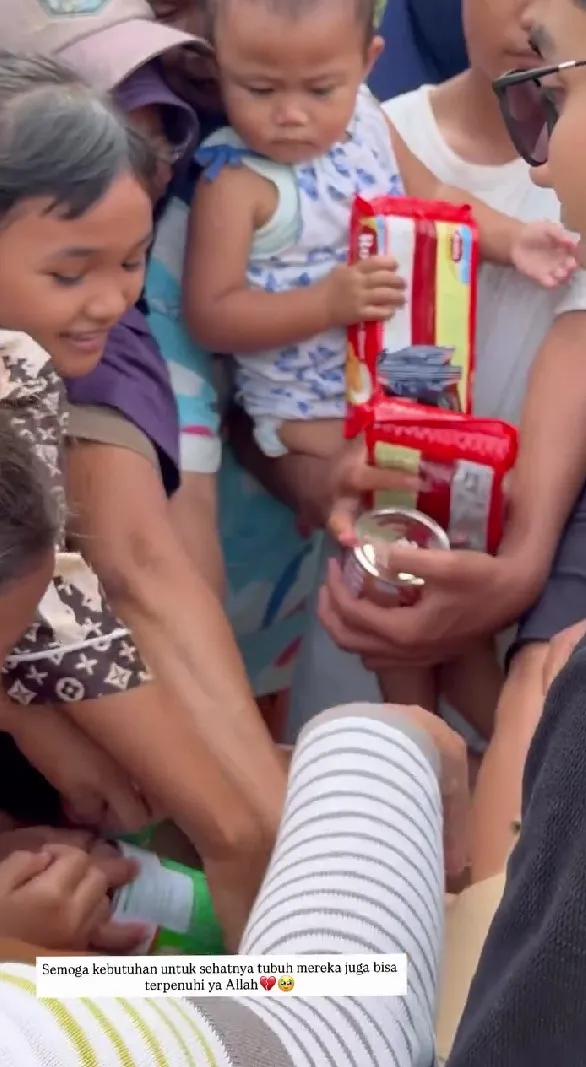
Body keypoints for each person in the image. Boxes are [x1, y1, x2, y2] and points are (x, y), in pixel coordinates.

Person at [185, 0, 578, 740]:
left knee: (432, 562)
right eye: (261, 91)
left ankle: (498, 750)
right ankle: (422, 735)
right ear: (220, 72)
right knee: (397, 569)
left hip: (391, 391)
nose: (293, 115)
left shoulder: (368, 123)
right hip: (315, 416)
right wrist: (323, 301)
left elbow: (433, 197)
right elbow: (212, 314)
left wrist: (514, 239)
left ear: (365, 64)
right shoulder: (238, 182)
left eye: (320, 88)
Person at [2, 0, 291, 936]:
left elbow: (64, 592)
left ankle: (257, 993)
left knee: (237, 835)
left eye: (130, 265)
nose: (110, 301)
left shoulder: (38, 365)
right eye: (71, 272)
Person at [306, 0, 586, 874]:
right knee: (363, 818)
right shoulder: (358, 132)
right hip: (383, 570)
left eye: (559, 85)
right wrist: (333, 492)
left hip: (507, 604)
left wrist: (516, 573)